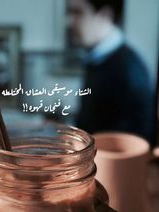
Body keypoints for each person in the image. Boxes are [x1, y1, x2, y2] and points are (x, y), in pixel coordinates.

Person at [67, 0, 156, 144]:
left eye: (78, 12)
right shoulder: (97, 58)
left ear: (105, 15)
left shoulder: (129, 69)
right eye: (69, 12)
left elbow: (136, 143)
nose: (69, 22)